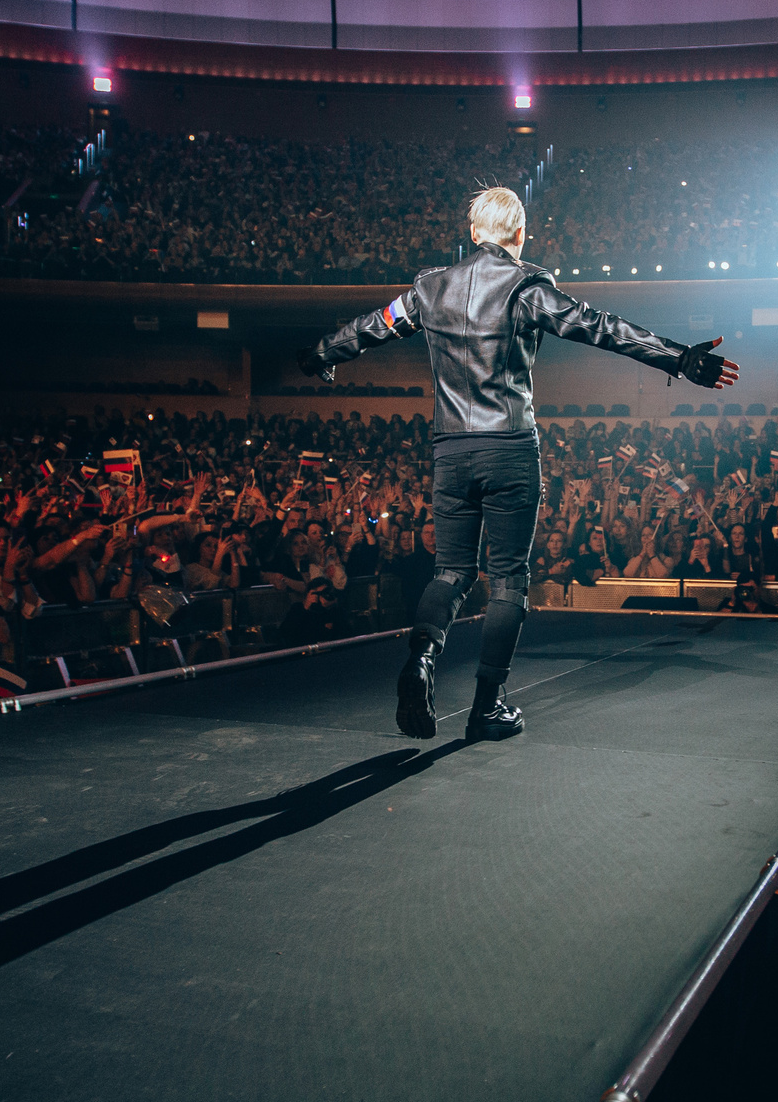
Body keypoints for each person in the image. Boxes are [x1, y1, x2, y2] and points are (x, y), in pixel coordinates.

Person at [298, 185, 737, 740]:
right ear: (519, 236)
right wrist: (680, 357)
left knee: (450, 572)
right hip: (508, 448)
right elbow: (601, 327)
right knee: (508, 579)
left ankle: (422, 661)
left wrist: (322, 354)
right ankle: (487, 707)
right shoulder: (527, 287)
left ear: (474, 233)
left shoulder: (428, 289)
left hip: (450, 451)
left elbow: (371, 327)